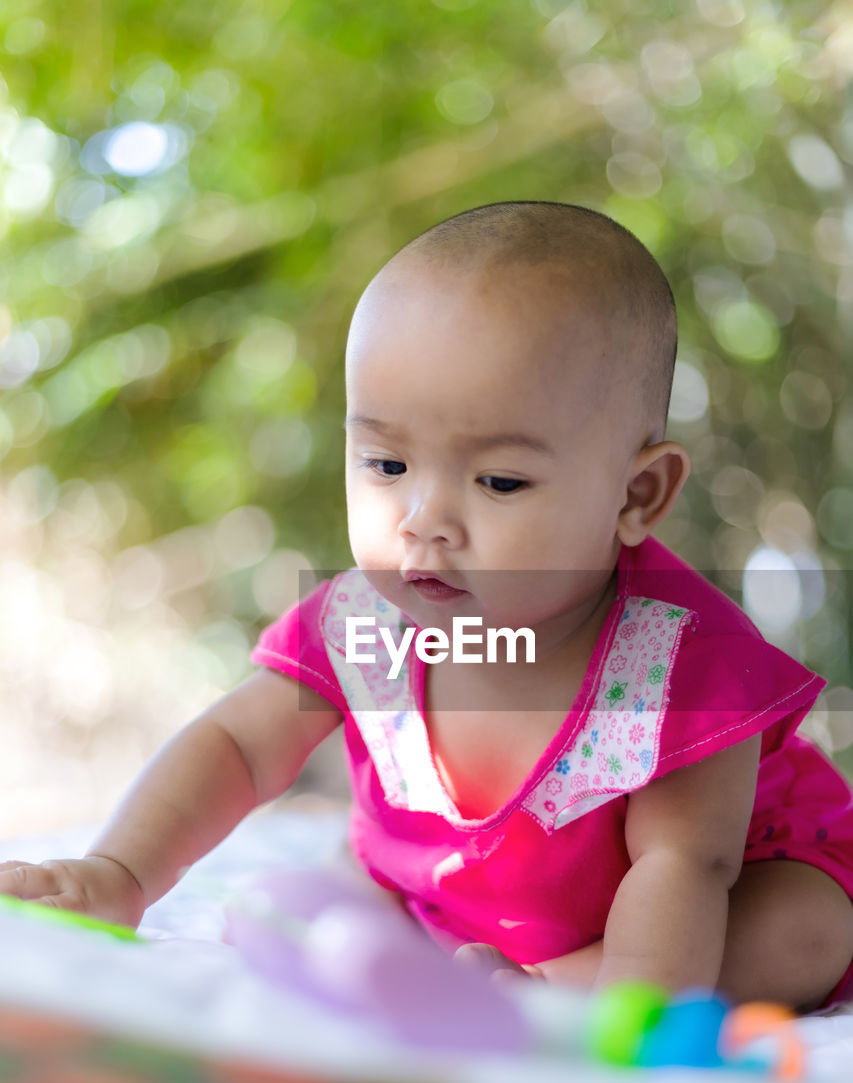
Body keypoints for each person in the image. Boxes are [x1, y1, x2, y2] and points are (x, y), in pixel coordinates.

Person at [4, 201, 853, 1013]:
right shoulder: (363, 629)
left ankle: (554, 989)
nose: (425, 522)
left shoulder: (673, 667)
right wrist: (119, 871)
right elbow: (234, 745)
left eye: (499, 480)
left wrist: (615, 1025)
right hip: (460, 897)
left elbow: (682, 866)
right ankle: (435, 952)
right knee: (312, 903)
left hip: (707, 893)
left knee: (800, 932)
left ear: (636, 493)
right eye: (385, 464)